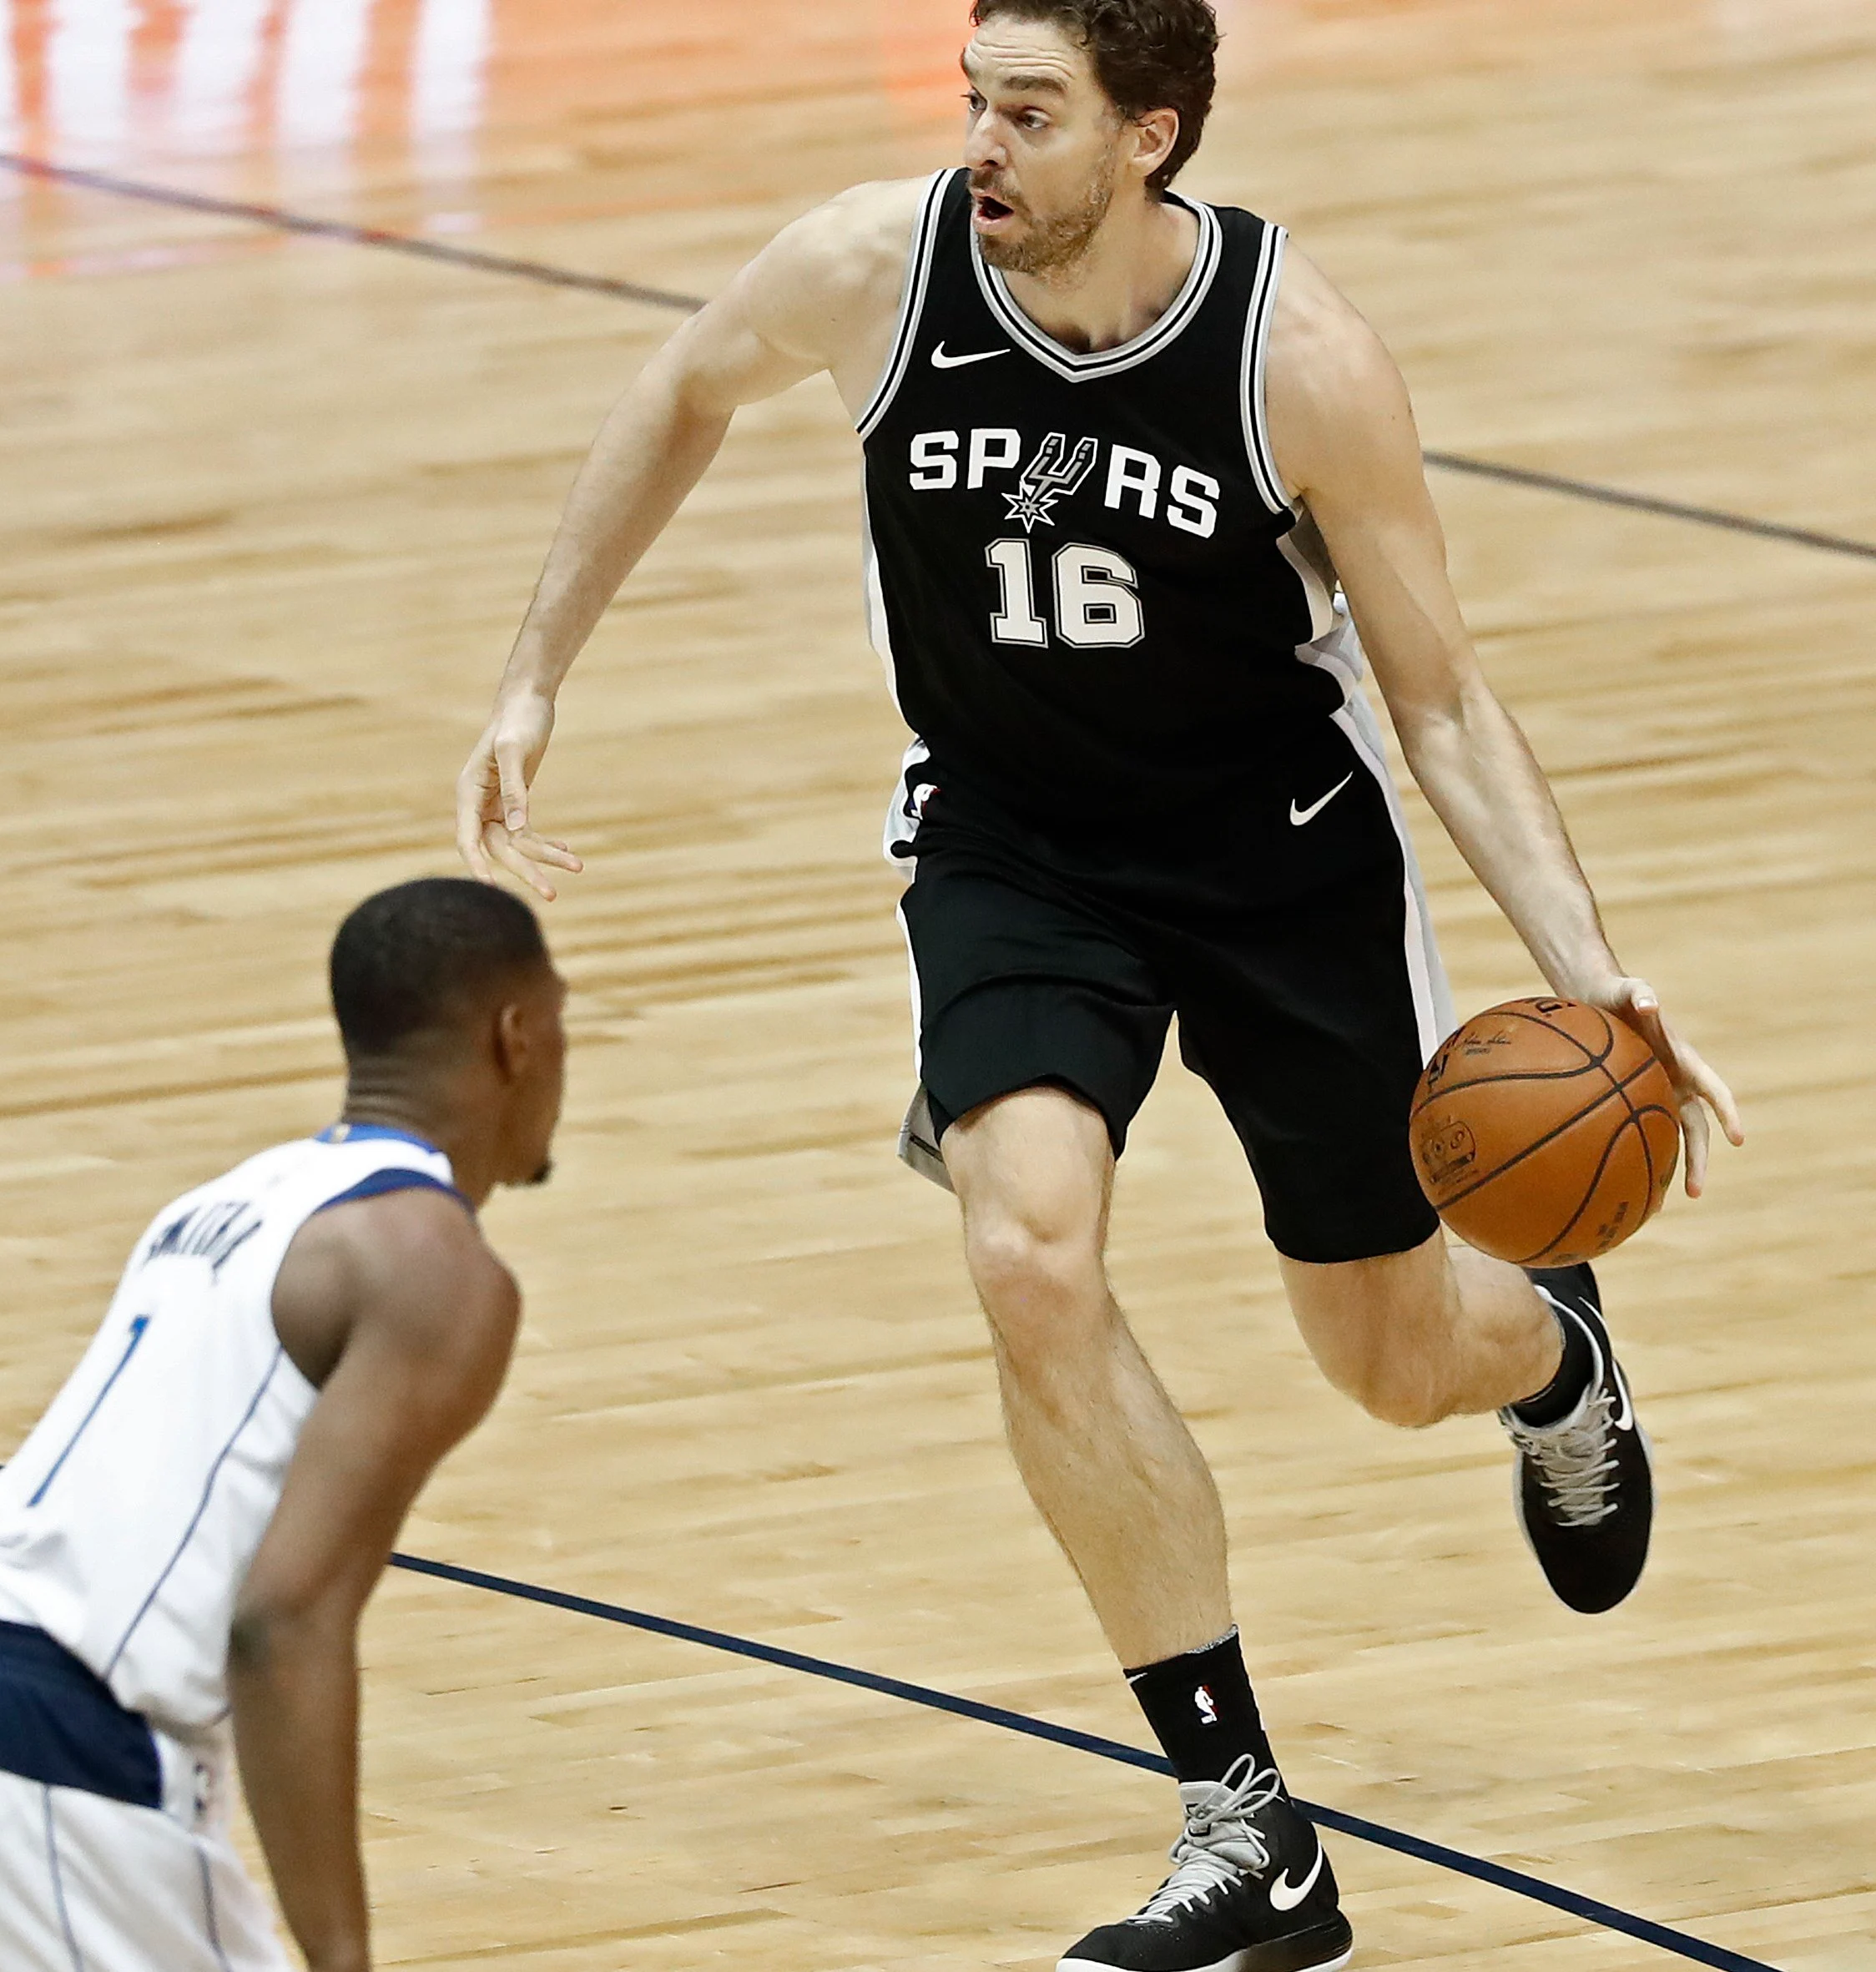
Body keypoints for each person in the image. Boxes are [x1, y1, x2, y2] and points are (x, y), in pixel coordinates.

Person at [446, 4, 1740, 1967]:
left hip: (1279, 866)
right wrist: (534, 673)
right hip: (1014, 848)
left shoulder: (1297, 358)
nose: (982, 141)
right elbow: (685, 386)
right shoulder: (883, 269)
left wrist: (1599, 975)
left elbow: (1443, 699)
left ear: (1148, 138)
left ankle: (1552, 1357)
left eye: (1029, 113)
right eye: (973, 98)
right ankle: (1246, 1824)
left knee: (1388, 1359)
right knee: (1029, 1253)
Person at [0, 877, 563, 1972]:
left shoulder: (229, 1198)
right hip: (53, 1756)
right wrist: (340, 1956)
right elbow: (281, 1620)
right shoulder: (434, 1266)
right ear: (516, 1035)